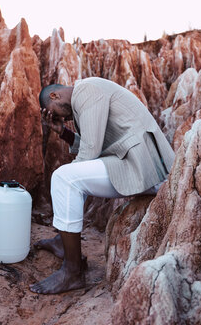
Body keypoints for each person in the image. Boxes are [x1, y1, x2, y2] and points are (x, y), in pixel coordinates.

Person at [30, 77, 175, 294]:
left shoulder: (87, 90)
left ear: (54, 95)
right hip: (134, 162)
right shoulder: (85, 97)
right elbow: (94, 147)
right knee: (72, 177)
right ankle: (63, 241)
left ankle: (73, 272)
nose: (59, 117)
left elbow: (90, 152)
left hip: (146, 168)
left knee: (64, 177)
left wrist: (73, 176)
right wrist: (64, 132)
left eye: (54, 112)